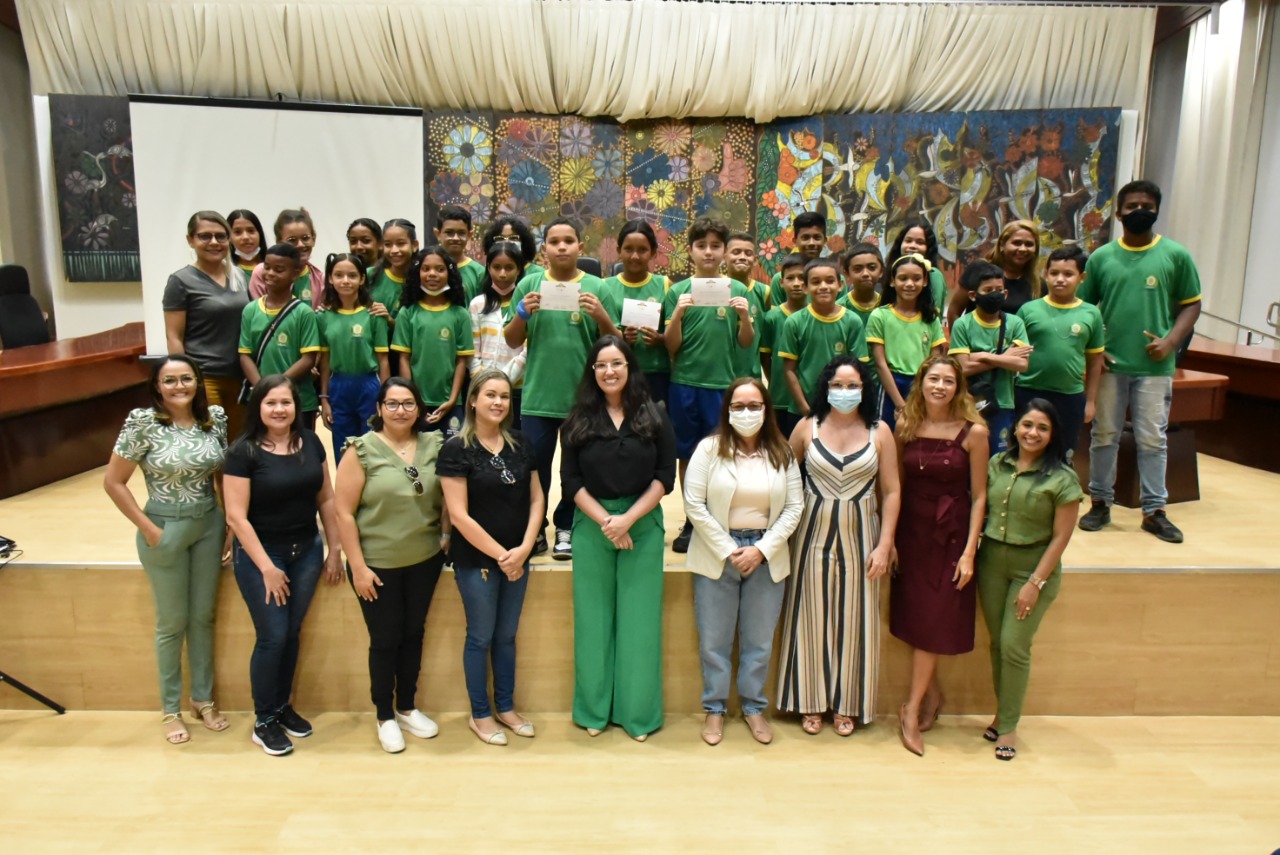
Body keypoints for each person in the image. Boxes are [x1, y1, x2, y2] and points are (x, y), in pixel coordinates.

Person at [103, 356, 230, 745]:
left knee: (203, 617)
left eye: (187, 379)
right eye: (170, 380)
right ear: (157, 386)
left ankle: (203, 698)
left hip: (209, 523)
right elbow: (114, 482)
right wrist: (149, 529)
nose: (180, 386)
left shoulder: (216, 419)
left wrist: (228, 524)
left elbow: (220, 475)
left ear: (198, 382)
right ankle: (170, 709)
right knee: (171, 622)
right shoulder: (144, 423)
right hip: (164, 525)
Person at [776, 357, 900, 736]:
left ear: (865, 390)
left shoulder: (880, 432)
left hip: (862, 533)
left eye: (853, 386)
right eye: (838, 384)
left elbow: (893, 491)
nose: (845, 392)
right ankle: (808, 700)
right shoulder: (805, 427)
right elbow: (779, 473)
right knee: (808, 614)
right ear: (826, 387)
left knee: (856, 618)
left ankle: (849, 702)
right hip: (811, 530)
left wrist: (885, 543)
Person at [561, 336, 676, 741]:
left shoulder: (655, 415)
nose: (609, 371)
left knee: (639, 625)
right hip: (592, 522)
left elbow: (666, 477)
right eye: (601, 365)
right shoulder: (577, 418)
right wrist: (609, 521)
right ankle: (593, 712)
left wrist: (627, 520)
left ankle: (638, 715)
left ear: (630, 367)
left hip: (642, 522)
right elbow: (570, 481)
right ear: (592, 372)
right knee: (593, 622)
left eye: (617, 363)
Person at [223, 375, 343, 757]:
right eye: (271, 403)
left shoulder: (310, 441)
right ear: (258, 407)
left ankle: (281, 706)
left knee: (291, 632)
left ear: (296, 407)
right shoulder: (243, 452)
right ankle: (263, 720)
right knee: (273, 635)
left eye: (286, 403)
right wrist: (267, 569)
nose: (279, 410)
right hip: (263, 554)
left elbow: (326, 498)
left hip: (306, 549)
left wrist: (335, 548)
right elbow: (236, 518)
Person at [1077, 180, 1201, 544]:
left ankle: (1154, 511)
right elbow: (1084, 308)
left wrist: (1171, 342)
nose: (1138, 211)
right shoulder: (1101, 258)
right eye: (1131, 206)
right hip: (1111, 366)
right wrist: (1096, 352)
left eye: (1146, 205)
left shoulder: (1176, 255)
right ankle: (1099, 503)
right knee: (1104, 437)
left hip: (1155, 368)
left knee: (1152, 440)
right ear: (1118, 213)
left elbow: (1192, 303)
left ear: (1157, 210)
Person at [683, 378, 803, 745]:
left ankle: (754, 708)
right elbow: (694, 504)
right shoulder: (708, 450)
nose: (747, 413)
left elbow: (795, 506)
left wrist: (762, 549)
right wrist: (729, 548)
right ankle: (715, 710)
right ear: (727, 410)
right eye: (739, 406)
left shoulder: (781, 452)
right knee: (714, 641)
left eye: (754, 406)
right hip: (718, 554)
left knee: (759, 641)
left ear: (766, 410)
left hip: (766, 556)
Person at [334, 378, 447, 754]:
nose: (401, 410)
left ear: (419, 408)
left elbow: (447, 496)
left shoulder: (435, 444)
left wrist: (445, 535)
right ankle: (384, 714)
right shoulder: (360, 450)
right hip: (376, 565)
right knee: (385, 640)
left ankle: (407, 707)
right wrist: (358, 566)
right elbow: (344, 514)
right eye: (393, 404)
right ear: (379, 408)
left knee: (414, 633)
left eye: (409, 403)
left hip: (424, 559)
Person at [504, 217, 620, 561]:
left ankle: (566, 527)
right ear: (544, 250)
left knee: (577, 470)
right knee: (535, 467)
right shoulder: (529, 285)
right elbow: (511, 342)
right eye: (554, 241)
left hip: (583, 401)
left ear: (580, 247)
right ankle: (535, 530)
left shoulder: (598, 288)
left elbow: (613, 345)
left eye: (569, 240)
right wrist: (522, 314)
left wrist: (601, 316)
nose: (562, 247)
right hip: (538, 397)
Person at [438, 369, 544, 746]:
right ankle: (480, 713)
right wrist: (503, 556)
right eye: (490, 395)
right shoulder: (455, 448)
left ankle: (506, 707)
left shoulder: (520, 442)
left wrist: (526, 547)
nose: (498, 402)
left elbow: (536, 498)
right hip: (479, 561)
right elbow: (459, 515)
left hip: (518, 556)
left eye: (504, 396)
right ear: (472, 400)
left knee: (506, 636)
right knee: (480, 637)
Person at [891, 355, 989, 756]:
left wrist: (969, 551)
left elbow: (980, 495)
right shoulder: (905, 426)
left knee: (934, 619)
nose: (940, 386)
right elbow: (893, 484)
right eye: (934, 379)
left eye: (949, 381)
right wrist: (890, 539)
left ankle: (910, 710)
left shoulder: (975, 433)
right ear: (922, 383)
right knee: (915, 620)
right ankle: (932, 697)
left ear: (958, 388)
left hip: (950, 538)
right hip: (912, 532)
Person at [978, 398, 1082, 761]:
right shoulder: (997, 464)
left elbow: (1061, 537)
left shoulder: (1062, 478)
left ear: (1053, 435)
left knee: (1014, 645)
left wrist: (1035, 583)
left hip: (1033, 569)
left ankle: (1008, 727)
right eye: (1027, 425)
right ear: (1015, 427)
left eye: (1042, 427)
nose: (1032, 433)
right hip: (992, 562)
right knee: (997, 645)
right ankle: (1001, 714)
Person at [664, 218, 755, 553]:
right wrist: (677, 314)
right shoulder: (677, 291)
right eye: (701, 245)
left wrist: (745, 316)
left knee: (722, 453)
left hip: (722, 386)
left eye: (716, 246)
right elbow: (670, 346)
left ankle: (718, 520)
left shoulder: (739, 291)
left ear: (724, 252)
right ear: (690, 251)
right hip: (684, 383)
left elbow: (746, 343)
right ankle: (691, 520)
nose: (708, 251)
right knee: (687, 454)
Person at [163, 211, 249, 438]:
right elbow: (174, 336)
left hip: (240, 377)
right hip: (205, 378)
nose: (214, 242)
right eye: (205, 236)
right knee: (212, 445)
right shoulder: (180, 281)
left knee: (237, 448)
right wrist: (183, 380)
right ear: (190, 240)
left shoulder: (239, 276)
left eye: (221, 236)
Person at [1015, 246, 1105, 456]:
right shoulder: (1028, 310)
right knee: (1026, 450)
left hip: (1070, 395)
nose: (1060, 279)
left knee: (1063, 455)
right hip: (1028, 390)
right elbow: (1014, 355)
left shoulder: (1091, 314)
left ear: (1081, 277)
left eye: (1068, 274)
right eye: (1054, 273)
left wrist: (1090, 401)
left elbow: (1095, 359)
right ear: (1045, 274)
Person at [948, 260, 1032, 454]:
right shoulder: (963, 324)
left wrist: (984, 356)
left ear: (1006, 293)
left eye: (999, 289)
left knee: (998, 458)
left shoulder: (1015, 323)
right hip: (969, 403)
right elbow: (964, 368)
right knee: (966, 456)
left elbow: (1022, 364)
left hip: (1003, 403)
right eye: (988, 290)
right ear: (973, 295)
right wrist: (1005, 357)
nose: (994, 294)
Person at [238, 242, 322, 430]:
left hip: (300, 400)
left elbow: (308, 358)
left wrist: (277, 387)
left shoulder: (304, 312)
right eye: (267, 267)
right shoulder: (250, 310)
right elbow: (245, 355)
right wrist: (263, 389)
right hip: (261, 399)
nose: (270, 274)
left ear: (295, 273)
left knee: (300, 450)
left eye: (279, 270)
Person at [392, 246, 474, 437]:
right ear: (417, 273)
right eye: (426, 269)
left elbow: (461, 361)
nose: (432, 274)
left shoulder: (459, 314)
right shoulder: (408, 313)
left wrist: (453, 399)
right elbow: (404, 358)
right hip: (416, 403)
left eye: (439, 269)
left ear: (449, 273)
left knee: (451, 457)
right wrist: (412, 398)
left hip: (451, 403)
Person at [317, 253, 390, 461]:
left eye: (352, 275)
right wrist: (324, 399)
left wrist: (385, 398)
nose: (345, 281)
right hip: (338, 386)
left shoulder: (373, 314)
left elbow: (383, 360)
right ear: (330, 278)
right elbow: (324, 360)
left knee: (372, 444)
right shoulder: (323, 316)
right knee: (344, 447)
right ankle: (346, 492)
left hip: (369, 385)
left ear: (362, 279)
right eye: (339, 275)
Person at [780, 258, 869, 419]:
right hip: (803, 409)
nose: (823, 287)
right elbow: (789, 370)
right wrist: (804, 408)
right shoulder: (794, 322)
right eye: (815, 282)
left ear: (840, 285)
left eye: (829, 281)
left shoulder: (852, 321)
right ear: (805, 287)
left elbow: (859, 369)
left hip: (843, 408)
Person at [866, 254, 946, 430]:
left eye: (916, 278)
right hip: (890, 386)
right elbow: (880, 364)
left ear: (925, 281)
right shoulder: (880, 316)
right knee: (886, 435)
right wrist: (900, 405)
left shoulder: (931, 318)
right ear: (892, 281)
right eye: (903, 278)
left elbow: (934, 362)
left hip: (922, 385)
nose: (910, 284)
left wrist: (917, 398)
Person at [606, 219, 671, 403]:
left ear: (653, 253)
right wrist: (622, 339)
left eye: (642, 250)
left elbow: (677, 333)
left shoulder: (665, 285)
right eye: (628, 249)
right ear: (619, 251)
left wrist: (661, 339)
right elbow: (597, 336)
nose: (635, 256)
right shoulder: (605, 287)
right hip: (618, 375)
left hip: (657, 375)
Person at [469, 241, 529, 429]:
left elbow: (528, 349)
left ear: (519, 269)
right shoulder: (478, 304)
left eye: (509, 267)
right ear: (488, 268)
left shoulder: (528, 305)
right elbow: (473, 349)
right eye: (497, 267)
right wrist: (483, 381)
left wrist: (504, 381)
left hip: (517, 387)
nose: (502, 274)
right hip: (482, 388)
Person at [947, 220, 1042, 327]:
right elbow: (954, 311)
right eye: (1016, 243)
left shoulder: (1038, 283)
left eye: (1029, 244)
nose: (1023, 249)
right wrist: (959, 341)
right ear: (1002, 245)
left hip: (1017, 343)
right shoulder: (978, 269)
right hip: (974, 342)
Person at [759, 253, 808, 438]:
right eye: (790, 278)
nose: (796, 283)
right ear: (781, 283)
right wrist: (775, 381)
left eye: (802, 278)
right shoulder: (771, 318)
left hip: (808, 399)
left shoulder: (816, 316)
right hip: (779, 398)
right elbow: (765, 356)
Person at [248, 208, 326, 310]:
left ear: (313, 239)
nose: (300, 245)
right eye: (292, 240)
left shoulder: (320, 279)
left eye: (305, 238)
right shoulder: (263, 273)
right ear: (279, 241)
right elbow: (258, 315)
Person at [725, 231, 767, 380]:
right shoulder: (715, 288)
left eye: (748, 253)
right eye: (736, 252)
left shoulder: (765, 293)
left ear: (755, 260)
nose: (742, 257)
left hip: (750, 378)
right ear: (724, 256)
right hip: (719, 378)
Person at [885, 218, 948, 313]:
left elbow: (932, 315)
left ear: (928, 248)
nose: (913, 246)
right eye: (908, 241)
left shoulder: (934, 275)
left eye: (920, 242)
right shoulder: (891, 271)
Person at [367, 218, 420, 328]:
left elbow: (417, 330)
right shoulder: (369, 275)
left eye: (401, 243)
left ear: (414, 245)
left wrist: (389, 320)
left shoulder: (422, 281)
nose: (394, 250)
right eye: (388, 244)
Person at [768, 210, 827, 308]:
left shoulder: (834, 278)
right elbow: (777, 318)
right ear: (795, 241)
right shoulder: (780, 280)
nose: (811, 243)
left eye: (817, 237)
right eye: (805, 238)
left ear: (824, 241)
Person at [436, 204, 485, 301]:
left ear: (469, 235)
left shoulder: (479, 272)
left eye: (461, 233)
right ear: (438, 234)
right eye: (449, 232)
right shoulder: (427, 269)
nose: (455, 238)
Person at [483, 215, 544, 280]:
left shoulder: (538, 273)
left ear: (524, 242)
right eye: (500, 238)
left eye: (513, 238)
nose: (507, 242)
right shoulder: (484, 274)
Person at [837, 242, 884, 324]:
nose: (865, 274)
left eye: (872, 268)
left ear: (881, 271)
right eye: (858, 269)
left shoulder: (886, 305)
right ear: (847, 273)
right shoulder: (839, 308)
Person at [228, 208, 267, 282]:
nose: (245, 237)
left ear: (260, 234)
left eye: (251, 231)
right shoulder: (225, 273)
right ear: (229, 238)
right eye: (237, 232)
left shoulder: (274, 270)